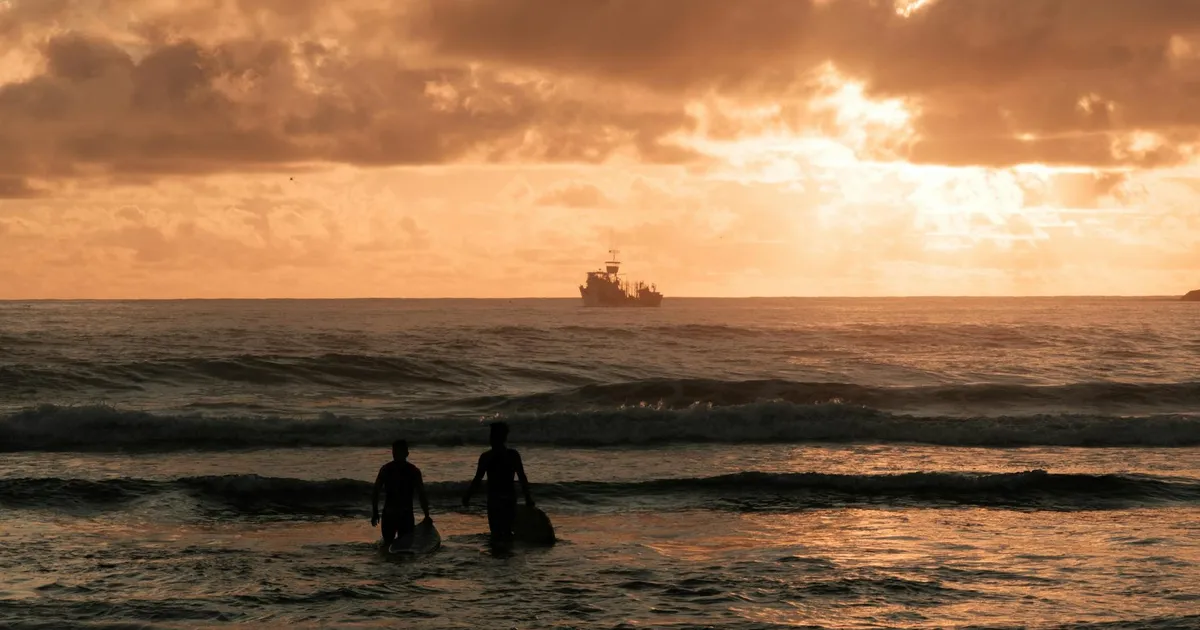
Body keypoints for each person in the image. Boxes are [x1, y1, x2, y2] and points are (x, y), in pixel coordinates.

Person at [462, 422, 534, 542]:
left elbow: (477, 479)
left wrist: (468, 496)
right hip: (507, 499)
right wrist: (528, 498)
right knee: (507, 532)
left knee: (496, 533)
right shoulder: (512, 455)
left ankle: (499, 556)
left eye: (492, 435)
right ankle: (505, 556)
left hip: (496, 500)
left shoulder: (487, 457)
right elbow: (522, 478)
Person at [371, 439, 431, 548]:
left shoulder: (386, 469)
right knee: (404, 548)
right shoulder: (413, 471)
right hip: (405, 514)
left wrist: (375, 512)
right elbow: (422, 494)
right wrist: (427, 515)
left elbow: (376, 491)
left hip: (390, 514)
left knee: (387, 546)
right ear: (407, 453)